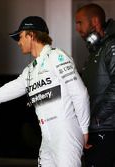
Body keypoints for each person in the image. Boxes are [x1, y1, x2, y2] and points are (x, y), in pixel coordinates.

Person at [0, 16, 90, 166]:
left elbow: (80, 94)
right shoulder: (30, 71)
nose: (18, 43)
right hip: (47, 136)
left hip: (66, 133)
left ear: (31, 35)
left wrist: (84, 130)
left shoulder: (57, 56)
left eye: (20, 37)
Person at [75, 3, 115, 167]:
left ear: (95, 21)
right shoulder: (96, 49)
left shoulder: (111, 46)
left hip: (106, 127)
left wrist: (98, 117)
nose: (77, 28)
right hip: (97, 127)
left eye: (79, 23)